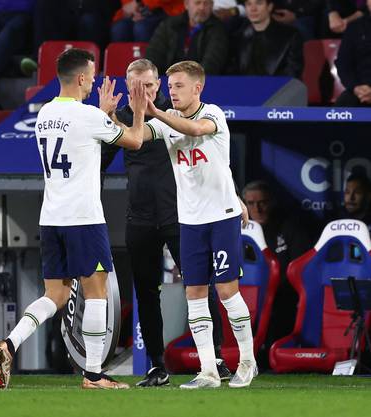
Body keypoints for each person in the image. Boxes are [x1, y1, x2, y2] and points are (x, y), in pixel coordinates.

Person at [0, 48, 148, 390]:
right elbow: (134, 140)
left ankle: (10, 344)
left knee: (56, 295)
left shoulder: (45, 113)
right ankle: (93, 374)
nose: (93, 80)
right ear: (80, 78)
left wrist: (102, 114)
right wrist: (134, 113)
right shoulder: (88, 116)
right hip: (84, 217)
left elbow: (80, 140)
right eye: (91, 75)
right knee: (96, 292)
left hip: (52, 217)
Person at [100, 58, 231, 386]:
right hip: (140, 218)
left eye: (148, 85)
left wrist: (235, 196)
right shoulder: (124, 119)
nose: (143, 91)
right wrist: (107, 118)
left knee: (199, 285)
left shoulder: (173, 114)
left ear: (157, 85)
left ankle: (213, 357)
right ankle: (157, 366)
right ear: (128, 86)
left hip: (179, 216)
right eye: (135, 86)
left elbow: (212, 160)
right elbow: (101, 161)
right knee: (145, 292)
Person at [142, 60, 256, 389]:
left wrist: (156, 112)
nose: (172, 92)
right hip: (189, 220)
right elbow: (134, 138)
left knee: (226, 290)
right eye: (170, 86)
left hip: (221, 215)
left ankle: (247, 362)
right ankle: (207, 370)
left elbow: (194, 130)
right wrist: (120, 114)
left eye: (178, 86)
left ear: (197, 88)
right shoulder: (165, 119)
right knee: (194, 292)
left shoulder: (213, 114)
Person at [241, 180, 312, 365]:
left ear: (271, 202)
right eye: (251, 203)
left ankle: (273, 355)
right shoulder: (238, 232)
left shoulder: (289, 227)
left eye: (262, 202)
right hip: (248, 298)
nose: (257, 208)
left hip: (283, 298)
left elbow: (302, 270)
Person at [145, 0, 229, 76]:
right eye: (198, 3)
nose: (202, 7)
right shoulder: (169, 26)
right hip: (168, 81)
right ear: (186, 4)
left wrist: (188, 82)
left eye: (206, 3)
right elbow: (153, 55)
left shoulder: (218, 30)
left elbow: (211, 64)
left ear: (212, 6)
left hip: (200, 84)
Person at [228, 0, 303, 78]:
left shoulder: (291, 36)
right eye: (249, 4)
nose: (253, 9)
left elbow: (292, 76)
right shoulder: (237, 38)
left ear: (269, 7)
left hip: (279, 89)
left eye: (259, 3)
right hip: (244, 88)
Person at [334, 1, 371, 107]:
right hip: (360, 90)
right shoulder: (354, 28)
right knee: (342, 107)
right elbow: (343, 63)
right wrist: (356, 88)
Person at [110, 1, 185, 42]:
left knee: (141, 28)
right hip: (141, 9)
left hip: (169, 10)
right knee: (119, 29)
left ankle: (146, 68)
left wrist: (140, 2)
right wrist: (132, 9)